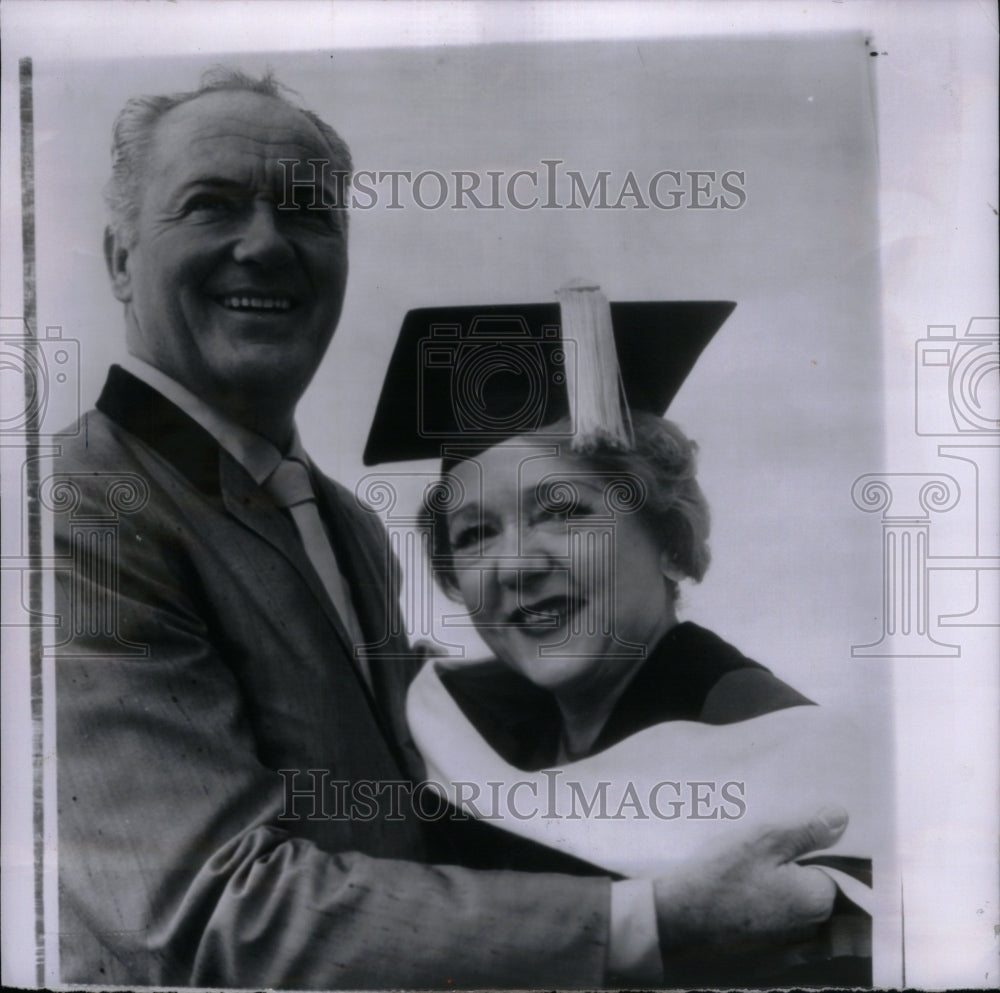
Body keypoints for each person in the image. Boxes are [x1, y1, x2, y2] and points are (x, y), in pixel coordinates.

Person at [52, 69, 853, 989]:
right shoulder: (83, 507)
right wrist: (647, 924)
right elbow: (206, 912)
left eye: (309, 212)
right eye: (210, 204)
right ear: (119, 258)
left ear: (669, 533)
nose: (265, 244)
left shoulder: (338, 521)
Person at [364, 285, 874, 985]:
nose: (514, 564)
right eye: (476, 534)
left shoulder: (768, 744)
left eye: (564, 511)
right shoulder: (469, 737)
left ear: (668, 540)